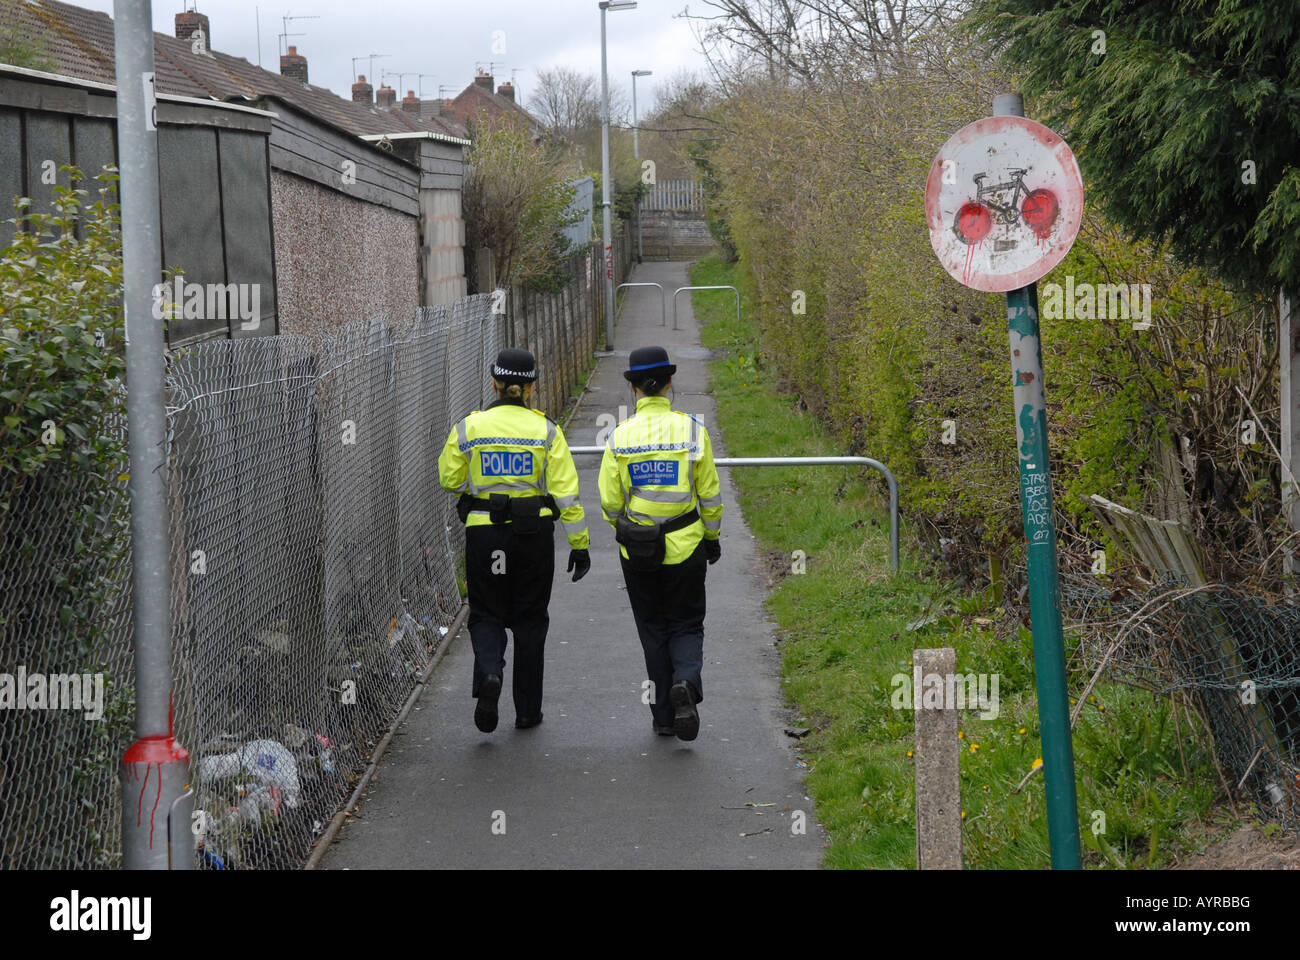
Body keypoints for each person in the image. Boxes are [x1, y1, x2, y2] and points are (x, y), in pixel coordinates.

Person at [438, 347, 590, 733]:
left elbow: (448, 479)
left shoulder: (470, 427)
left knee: (487, 613)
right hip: (532, 537)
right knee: (530, 621)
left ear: (494, 382)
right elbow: (566, 495)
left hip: (485, 534)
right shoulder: (546, 431)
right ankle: (527, 712)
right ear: (530, 388)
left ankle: (490, 674)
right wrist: (579, 544)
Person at [598, 346, 722, 741]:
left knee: (653, 630)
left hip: (639, 550)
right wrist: (712, 537)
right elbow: (711, 496)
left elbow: (609, 500)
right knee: (686, 623)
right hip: (687, 545)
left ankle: (664, 718)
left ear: (634, 389)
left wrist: (626, 528)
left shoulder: (620, 437)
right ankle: (686, 681)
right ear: (669, 384)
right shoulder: (692, 431)